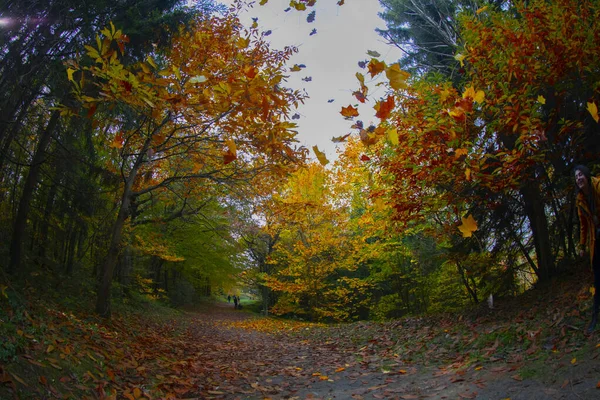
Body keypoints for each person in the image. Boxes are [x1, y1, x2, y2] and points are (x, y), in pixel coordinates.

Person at [574, 164, 600, 333]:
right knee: (597, 277)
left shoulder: (598, 186)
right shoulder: (580, 200)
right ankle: (595, 318)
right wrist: (582, 245)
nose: (579, 179)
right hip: (596, 238)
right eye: (576, 177)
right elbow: (583, 225)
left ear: (587, 175)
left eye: (581, 175)